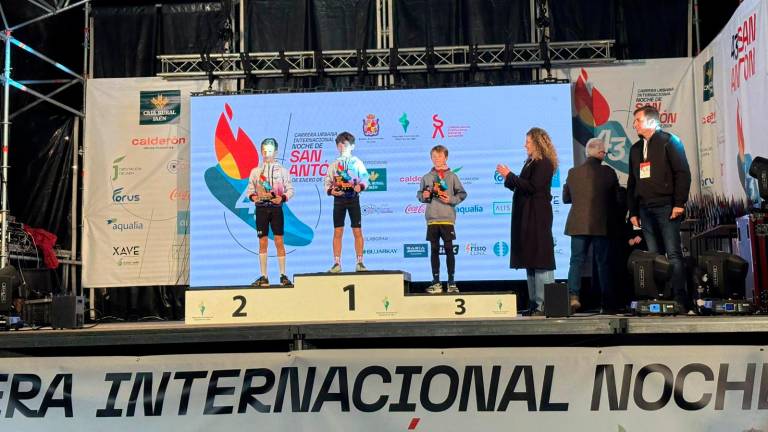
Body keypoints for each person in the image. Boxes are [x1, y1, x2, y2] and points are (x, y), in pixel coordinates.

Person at [627, 105, 692, 311]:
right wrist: (633, 211)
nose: (634, 124)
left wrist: (679, 204)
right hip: (645, 209)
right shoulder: (635, 149)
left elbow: (683, 173)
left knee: (673, 254)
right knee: (653, 256)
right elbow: (632, 182)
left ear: (651, 121)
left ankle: (680, 299)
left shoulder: (669, 141)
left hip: (667, 207)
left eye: (638, 120)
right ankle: (659, 299)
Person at [496, 127, 558, 315]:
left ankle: (543, 304)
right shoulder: (531, 162)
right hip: (527, 216)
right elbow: (522, 186)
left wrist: (510, 175)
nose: (525, 145)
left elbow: (533, 187)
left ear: (537, 143)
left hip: (537, 216)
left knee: (540, 259)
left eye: (528, 142)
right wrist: (509, 178)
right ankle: (534, 303)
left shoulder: (544, 163)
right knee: (531, 258)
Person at [562, 138, 619, 313]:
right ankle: (607, 303)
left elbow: (565, 199)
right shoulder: (608, 173)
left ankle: (573, 296)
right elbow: (616, 199)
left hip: (578, 223)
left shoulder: (573, 172)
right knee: (603, 263)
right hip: (601, 224)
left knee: (576, 261)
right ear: (601, 153)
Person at [417, 145, 467, 294]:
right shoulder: (426, 177)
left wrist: (450, 199)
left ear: (446, 157)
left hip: (447, 218)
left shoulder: (452, 176)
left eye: (439, 156)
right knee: (433, 250)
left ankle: (451, 283)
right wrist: (423, 196)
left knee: (449, 249)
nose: (437, 159)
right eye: (434, 156)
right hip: (432, 219)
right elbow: (420, 195)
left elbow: (462, 194)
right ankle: (437, 282)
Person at [246, 138, 295, 287]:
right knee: (262, 241)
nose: (267, 153)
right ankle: (264, 276)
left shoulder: (283, 171)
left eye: (270, 150)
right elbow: (250, 191)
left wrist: (282, 198)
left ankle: (282, 275)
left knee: (279, 241)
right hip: (261, 209)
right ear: (261, 151)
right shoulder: (255, 171)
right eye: (265, 150)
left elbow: (290, 190)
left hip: (276, 209)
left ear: (276, 152)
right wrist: (254, 197)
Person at [324, 131, 370, 272]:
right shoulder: (333, 164)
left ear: (352, 146)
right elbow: (327, 183)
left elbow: (365, 179)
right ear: (337, 147)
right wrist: (331, 191)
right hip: (339, 201)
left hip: (353, 199)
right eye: (340, 144)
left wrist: (360, 186)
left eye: (345, 144)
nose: (342, 146)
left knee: (357, 230)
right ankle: (337, 263)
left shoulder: (357, 162)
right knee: (338, 231)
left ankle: (360, 262)